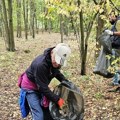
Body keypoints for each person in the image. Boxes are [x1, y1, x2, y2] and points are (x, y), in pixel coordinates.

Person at [18, 43, 71, 120]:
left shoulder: (54, 63)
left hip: (41, 85)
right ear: (52, 52)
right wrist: (58, 100)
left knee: (48, 112)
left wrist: (66, 82)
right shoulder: (41, 65)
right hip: (30, 88)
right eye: (56, 60)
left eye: (59, 62)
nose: (57, 63)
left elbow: (56, 73)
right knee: (39, 115)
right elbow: (43, 88)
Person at [105, 10, 120, 91]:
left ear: (114, 15)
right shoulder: (115, 23)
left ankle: (116, 81)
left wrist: (112, 33)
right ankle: (116, 81)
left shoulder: (118, 21)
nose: (109, 18)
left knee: (115, 65)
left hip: (118, 47)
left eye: (110, 16)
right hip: (115, 46)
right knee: (114, 64)